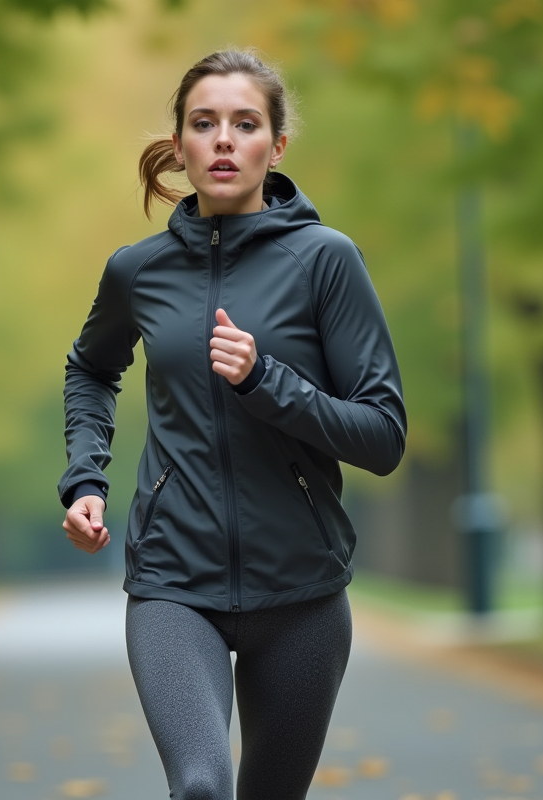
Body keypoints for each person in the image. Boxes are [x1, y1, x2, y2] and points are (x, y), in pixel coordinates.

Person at [58, 49, 407, 800]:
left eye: (245, 124)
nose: (223, 139)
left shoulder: (326, 262)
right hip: (173, 583)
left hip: (303, 593)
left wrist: (264, 382)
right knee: (200, 786)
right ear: (179, 144)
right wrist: (85, 479)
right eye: (204, 123)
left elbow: (383, 436)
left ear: (276, 147)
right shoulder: (137, 271)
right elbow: (90, 368)